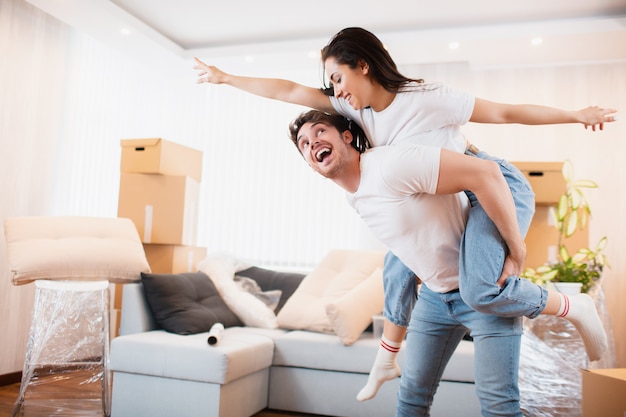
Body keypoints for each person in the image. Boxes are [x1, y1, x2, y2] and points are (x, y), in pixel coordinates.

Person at [194, 26, 617, 402]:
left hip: (493, 184)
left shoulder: (428, 98)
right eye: (329, 83)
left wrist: (576, 116)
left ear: (363, 65)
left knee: (478, 288)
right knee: (398, 258)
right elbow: (287, 91)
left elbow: (506, 113)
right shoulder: (350, 111)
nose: (334, 90)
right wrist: (226, 78)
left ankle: (569, 305)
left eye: (338, 78)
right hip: (454, 197)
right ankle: (387, 357)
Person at [287, 109, 588, 416]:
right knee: (411, 398)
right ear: (309, 163)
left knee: (499, 406)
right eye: (304, 143)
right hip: (435, 297)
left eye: (321, 131)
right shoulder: (355, 197)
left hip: (485, 292)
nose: (313, 143)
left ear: (347, 136)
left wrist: (516, 248)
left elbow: (485, 175)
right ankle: (386, 358)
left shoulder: (389, 164)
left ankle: (572, 306)